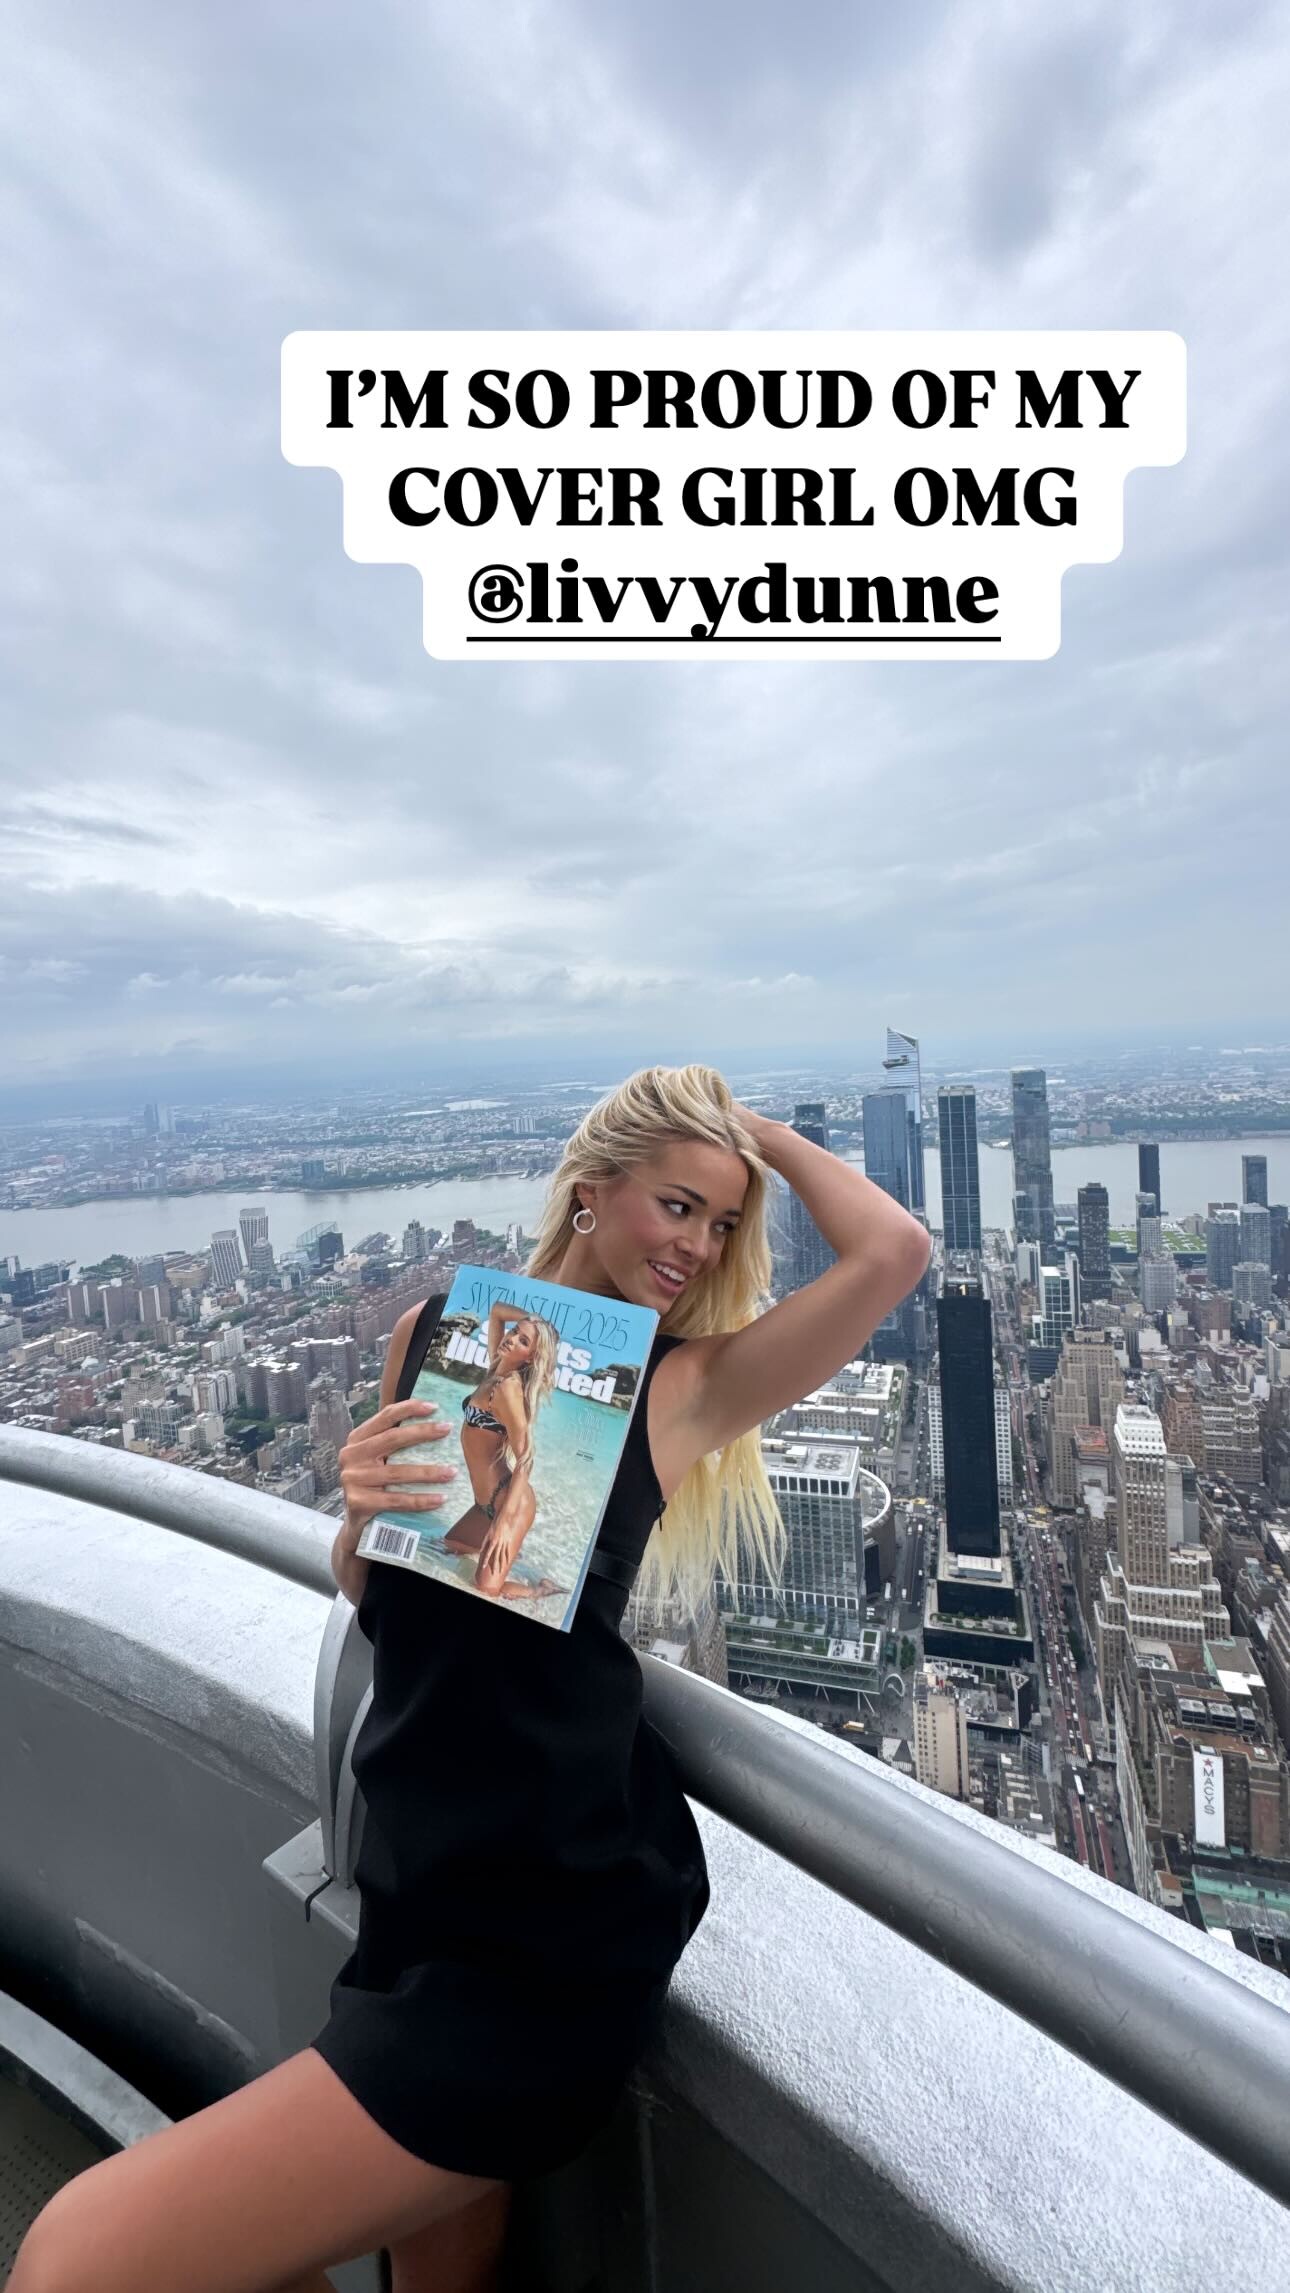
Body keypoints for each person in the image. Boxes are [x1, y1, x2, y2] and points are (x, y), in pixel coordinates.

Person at [9, 1064, 929, 2293]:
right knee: (431, 2270)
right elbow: (380, 1592)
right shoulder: (436, 1332)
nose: (701, 1247)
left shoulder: (680, 1386)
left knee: (81, 2255)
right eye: (677, 1205)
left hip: (548, 1934)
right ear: (591, 1191)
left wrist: (746, 1127)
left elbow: (894, 1251)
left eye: (722, 1223)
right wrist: (360, 1514)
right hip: (418, 1888)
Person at [438, 1304, 562, 1598]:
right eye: (515, 1331)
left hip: (510, 1505)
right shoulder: (497, 1366)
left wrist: (504, 1523)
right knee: (448, 1548)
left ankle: (539, 1590)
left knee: (484, 1591)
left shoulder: (507, 1388)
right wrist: (534, 1321)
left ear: (530, 1357)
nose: (512, 1338)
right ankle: (508, 1554)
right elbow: (496, 1312)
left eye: (523, 1341)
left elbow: (526, 1457)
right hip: (485, 1504)